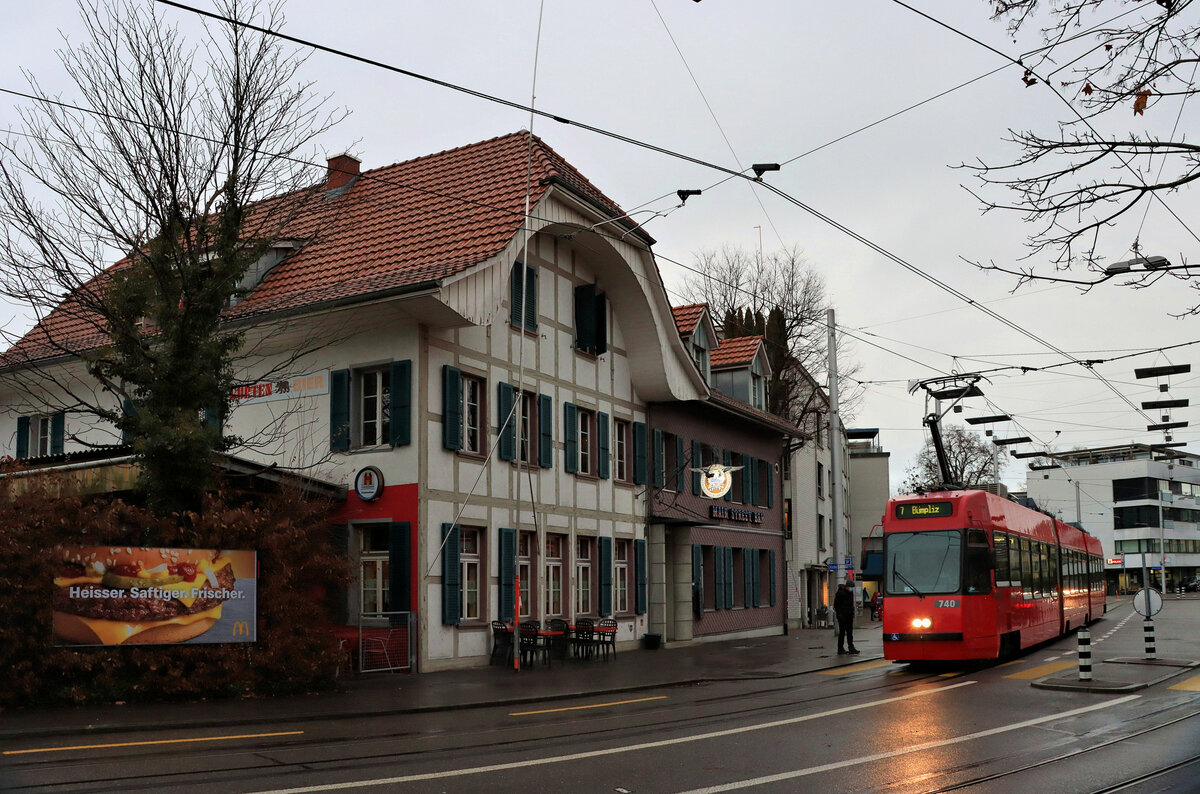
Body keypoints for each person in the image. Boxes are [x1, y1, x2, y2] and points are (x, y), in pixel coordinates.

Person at [833, 581, 859, 654]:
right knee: (842, 633)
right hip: (842, 616)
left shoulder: (850, 593)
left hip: (849, 616)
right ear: (847, 586)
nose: (851, 589)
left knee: (849, 633)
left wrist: (852, 613)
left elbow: (850, 605)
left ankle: (851, 647)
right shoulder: (840, 593)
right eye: (851, 587)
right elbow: (836, 605)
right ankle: (840, 648)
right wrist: (840, 614)